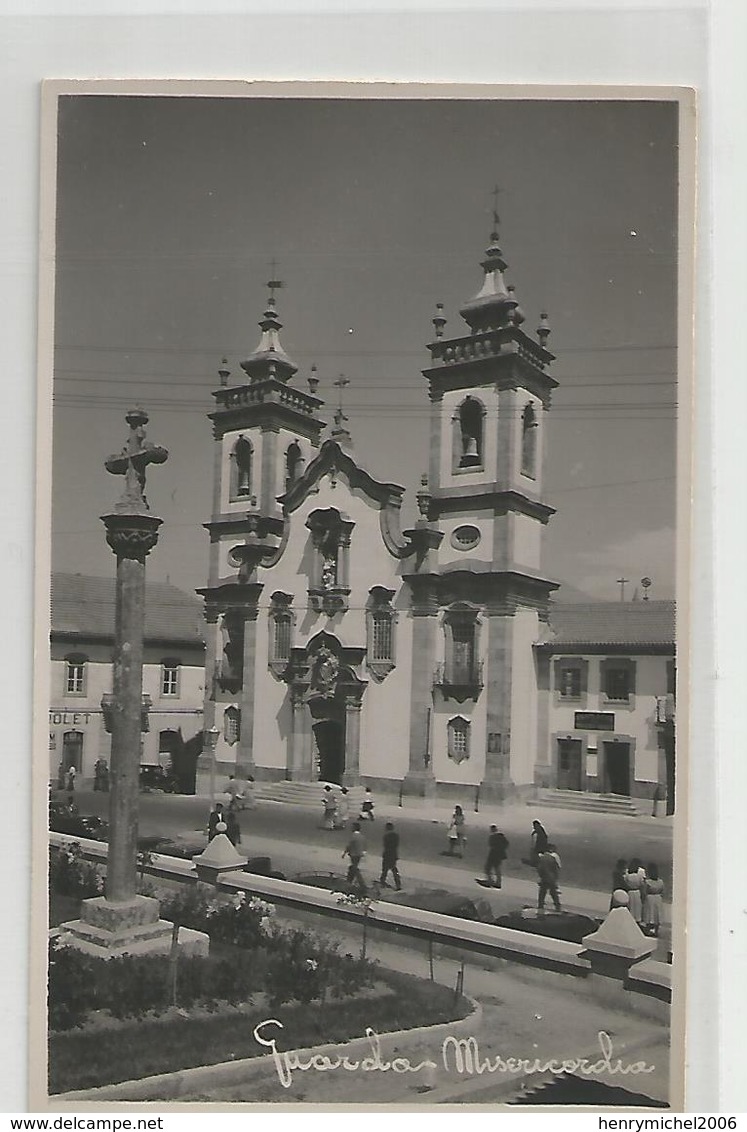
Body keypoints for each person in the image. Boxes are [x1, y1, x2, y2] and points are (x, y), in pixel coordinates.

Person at [536, 843, 562, 913]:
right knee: (553, 892)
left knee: (542, 892)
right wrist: (555, 877)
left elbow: (539, 868)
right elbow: (556, 868)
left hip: (544, 877)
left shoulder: (542, 858)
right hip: (551, 877)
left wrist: (541, 876)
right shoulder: (553, 858)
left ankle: (540, 905)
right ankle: (557, 906)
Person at [623, 858, 647, 924]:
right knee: (637, 909)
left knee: (630, 908)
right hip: (637, 892)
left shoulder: (627, 871)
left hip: (629, 892)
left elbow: (625, 882)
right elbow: (643, 883)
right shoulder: (641, 871)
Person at [342, 822, 366, 889]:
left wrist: (344, 853)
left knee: (354, 867)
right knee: (354, 866)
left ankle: (356, 881)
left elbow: (349, 845)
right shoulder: (362, 836)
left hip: (354, 854)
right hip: (359, 854)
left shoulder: (353, 836)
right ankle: (349, 880)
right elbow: (364, 846)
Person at [644, 862, 665, 937]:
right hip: (658, 898)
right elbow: (662, 891)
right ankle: (656, 931)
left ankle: (648, 930)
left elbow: (645, 891)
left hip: (650, 898)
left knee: (649, 914)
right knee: (657, 914)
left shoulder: (647, 882)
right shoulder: (660, 881)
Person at [379, 821, 402, 890]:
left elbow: (385, 845)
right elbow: (396, 845)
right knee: (394, 869)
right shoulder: (396, 836)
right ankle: (398, 883)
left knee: (385, 869)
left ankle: (382, 882)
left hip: (387, 854)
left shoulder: (386, 836)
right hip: (393, 854)